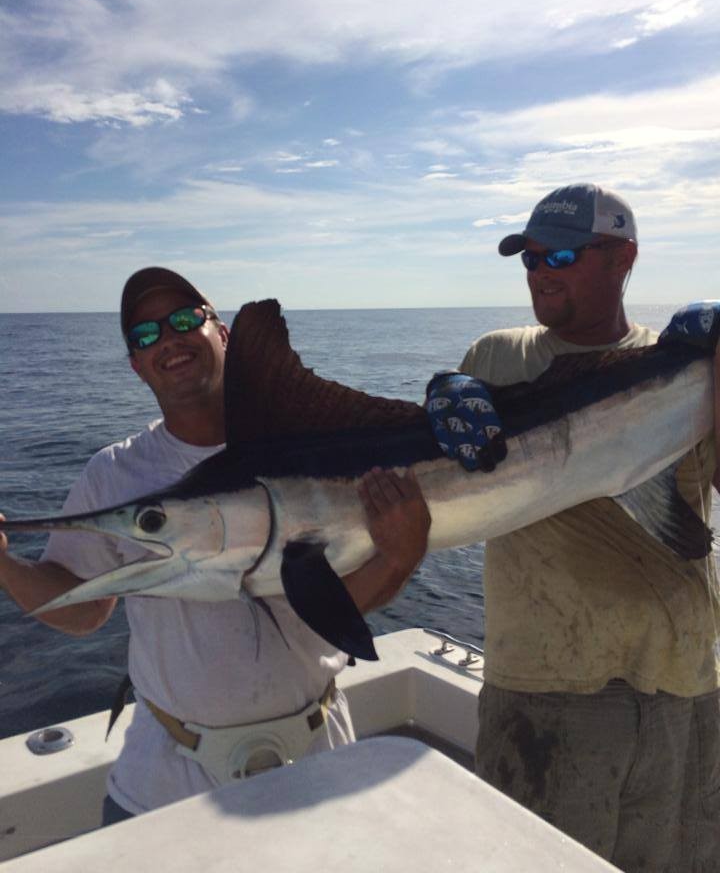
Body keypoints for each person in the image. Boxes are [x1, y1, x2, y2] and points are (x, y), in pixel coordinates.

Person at [0, 267, 430, 823]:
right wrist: (4, 562)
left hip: (319, 754)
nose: (168, 339)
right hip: (163, 778)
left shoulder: (312, 450)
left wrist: (401, 555)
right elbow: (82, 609)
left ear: (222, 333)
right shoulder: (113, 472)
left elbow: (340, 604)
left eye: (184, 320)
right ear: (135, 365)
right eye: (145, 335)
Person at [427, 184, 720, 872]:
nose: (540, 273)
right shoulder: (498, 359)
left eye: (559, 254)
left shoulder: (687, 364)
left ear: (624, 257)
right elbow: (439, 477)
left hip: (687, 681)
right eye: (528, 259)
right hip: (546, 689)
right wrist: (440, 393)